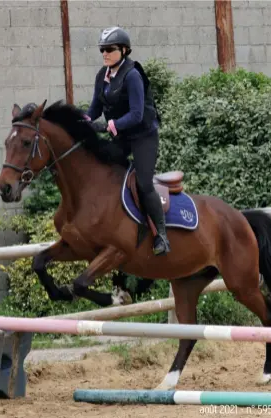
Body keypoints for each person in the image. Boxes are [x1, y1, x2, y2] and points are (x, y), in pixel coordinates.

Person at [83, 26, 170, 256]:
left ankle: (161, 234)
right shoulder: (102, 76)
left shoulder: (132, 75)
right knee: (104, 171)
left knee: (143, 183)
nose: (105, 53)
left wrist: (111, 125)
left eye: (110, 49)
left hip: (143, 137)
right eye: (102, 49)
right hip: (122, 137)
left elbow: (137, 114)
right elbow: (95, 108)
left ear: (123, 50)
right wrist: (83, 119)